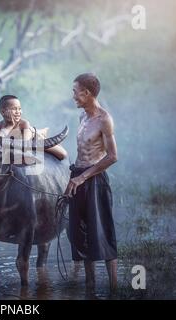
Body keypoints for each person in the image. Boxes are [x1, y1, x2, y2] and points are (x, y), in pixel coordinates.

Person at [64, 73, 118, 294]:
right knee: (80, 232)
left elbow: (113, 156)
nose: (73, 95)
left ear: (86, 93)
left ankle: (115, 288)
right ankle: (90, 287)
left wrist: (83, 177)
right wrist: (74, 176)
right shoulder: (82, 117)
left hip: (93, 179)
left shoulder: (104, 119)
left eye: (75, 91)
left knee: (102, 229)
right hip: (77, 177)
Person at [0, 95, 67, 160]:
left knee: (63, 154)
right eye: (14, 109)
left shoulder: (24, 123)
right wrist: (10, 126)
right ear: (3, 112)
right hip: (15, 144)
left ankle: (41, 132)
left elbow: (26, 145)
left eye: (19, 109)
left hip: (34, 139)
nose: (18, 112)